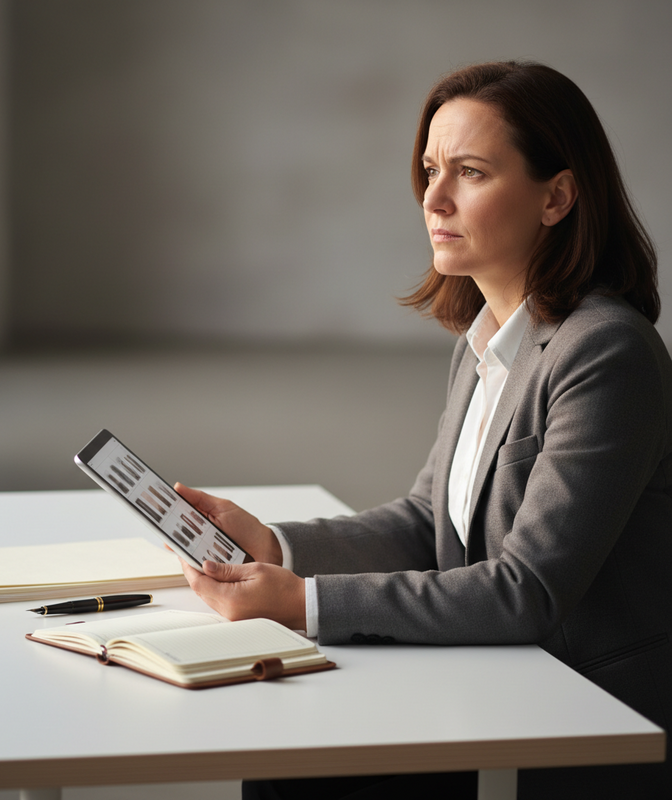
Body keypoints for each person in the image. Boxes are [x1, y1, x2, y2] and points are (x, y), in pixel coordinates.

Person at [176, 61, 672, 798]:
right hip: (494, 669)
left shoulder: (606, 350)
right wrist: (275, 545)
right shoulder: (487, 339)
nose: (433, 199)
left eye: (469, 172)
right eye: (430, 169)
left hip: (589, 708)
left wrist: (301, 603)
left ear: (557, 197)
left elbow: (525, 590)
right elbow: (428, 524)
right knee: (295, 752)